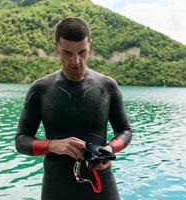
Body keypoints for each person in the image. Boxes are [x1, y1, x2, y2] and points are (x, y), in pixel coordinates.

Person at [15, 17, 132, 200]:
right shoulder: (40, 89)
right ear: (56, 48)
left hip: (102, 187)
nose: (76, 60)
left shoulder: (108, 86)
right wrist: (53, 145)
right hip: (57, 188)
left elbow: (125, 131)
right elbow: (21, 140)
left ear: (89, 46)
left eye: (82, 52)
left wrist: (109, 149)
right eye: (68, 53)